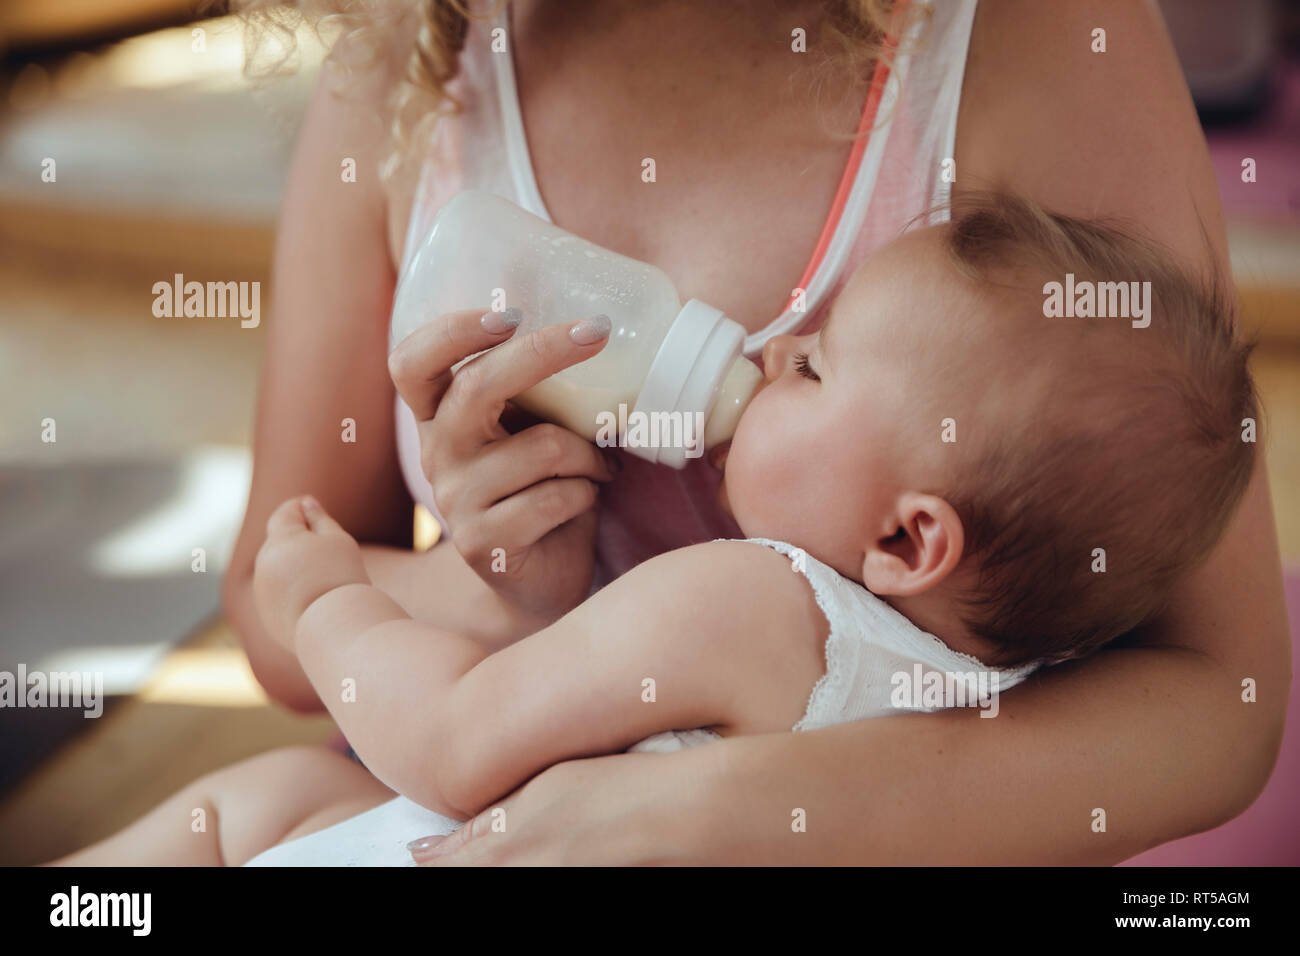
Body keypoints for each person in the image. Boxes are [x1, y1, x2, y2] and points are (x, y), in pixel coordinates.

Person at [217, 0, 1288, 865]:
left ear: (914, 540)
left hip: (504, 780)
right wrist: (490, 589)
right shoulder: (410, 57)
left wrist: (738, 810)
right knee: (242, 811)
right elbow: (268, 600)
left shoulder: (1027, 35)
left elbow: (1216, 695)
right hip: (448, 769)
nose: (772, 351)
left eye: (814, 361)